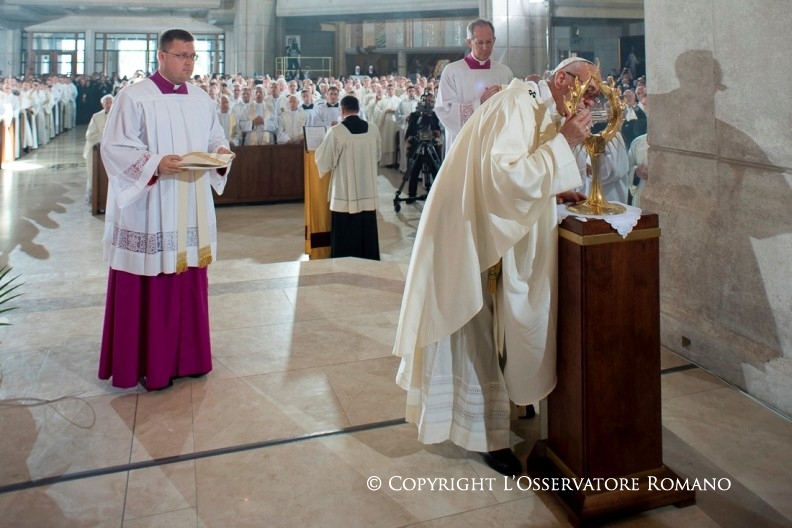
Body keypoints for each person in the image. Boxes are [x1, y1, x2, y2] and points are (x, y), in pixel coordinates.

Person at [392, 57, 600, 476]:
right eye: (588, 91)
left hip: (480, 225)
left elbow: (516, 171)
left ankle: (502, 409)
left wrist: (552, 192)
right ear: (563, 80)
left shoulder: (533, 104)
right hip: (464, 234)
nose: (590, 102)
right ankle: (484, 434)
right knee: (472, 329)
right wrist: (564, 142)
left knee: (493, 328)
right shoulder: (518, 104)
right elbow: (503, 178)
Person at [98, 28, 233, 391]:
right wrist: (156, 164)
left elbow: (215, 138)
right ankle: (147, 364)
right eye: (181, 56)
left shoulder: (201, 99)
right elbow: (114, 148)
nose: (188, 63)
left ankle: (189, 359)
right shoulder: (135, 97)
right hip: (151, 206)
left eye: (192, 56)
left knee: (188, 276)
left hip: (190, 203)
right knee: (151, 280)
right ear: (161, 56)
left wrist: (220, 154)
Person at [314, 95, 382, 260]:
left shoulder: (337, 131)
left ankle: (344, 257)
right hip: (367, 188)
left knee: (345, 226)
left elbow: (324, 160)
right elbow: (378, 155)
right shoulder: (372, 129)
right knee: (366, 225)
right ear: (358, 109)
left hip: (345, 191)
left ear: (342, 110)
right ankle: (369, 256)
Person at [434, 19, 514, 154]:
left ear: (494, 40)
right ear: (469, 42)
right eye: (479, 42)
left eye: (489, 42)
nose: (485, 47)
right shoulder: (452, 71)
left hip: (495, 143)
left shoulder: (504, 72)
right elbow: (445, 110)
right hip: (464, 144)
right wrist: (479, 103)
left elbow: (512, 108)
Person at [83, 93, 113, 204]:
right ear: (102, 104)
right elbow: (90, 135)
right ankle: (97, 199)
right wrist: (105, 138)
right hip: (98, 151)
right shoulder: (96, 117)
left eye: (110, 102)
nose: (109, 105)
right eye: (106, 103)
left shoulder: (119, 114)